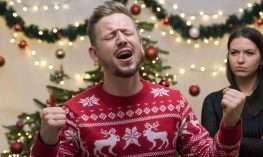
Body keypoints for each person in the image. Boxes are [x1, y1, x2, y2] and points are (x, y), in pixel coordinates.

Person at [31, 1, 245, 156]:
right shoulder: (74, 114)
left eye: (127, 32)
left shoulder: (173, 102)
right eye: (111, 36)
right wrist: (46, 141)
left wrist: (230, 123)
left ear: (141, 45)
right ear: (94, 55)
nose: (122, 39)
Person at [201, 27, 263, 157]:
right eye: (234, 53)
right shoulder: (213, 100)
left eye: (249, 53)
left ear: (261, 59)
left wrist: (226, 140)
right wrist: (261, 141)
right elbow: (211, 150)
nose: (240, 60)